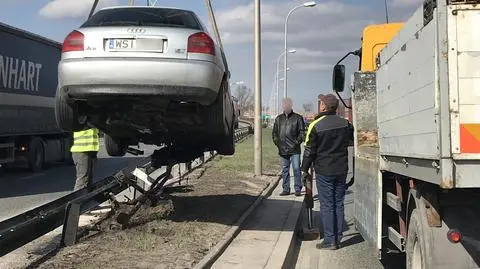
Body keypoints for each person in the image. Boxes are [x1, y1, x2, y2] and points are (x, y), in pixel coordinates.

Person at [301, 94, 353, 250]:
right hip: (341, 169)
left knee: (327, 205)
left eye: (321, 102)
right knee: (338, 203)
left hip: (324, 170)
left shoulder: (315, 125)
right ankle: (337, 238)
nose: (319, 104)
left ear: (324, 106)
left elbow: (309, 150)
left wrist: (304, 169)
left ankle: (330, 240)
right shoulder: (345, 123)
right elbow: (351, 140)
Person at [272, 98, 305, 196]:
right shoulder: (278, 119)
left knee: (296, 169)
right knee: (285, 170)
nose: (286, 106)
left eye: (288, 104)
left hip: (294, 149)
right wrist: (278, 143)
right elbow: (274, 133)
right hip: (282, 149)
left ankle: (298, 188)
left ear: (291, 105)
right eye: (284, 104)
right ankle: (286, 189)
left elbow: (302, 133)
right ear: (283, 106)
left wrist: (296, 142)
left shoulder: (298, 118)